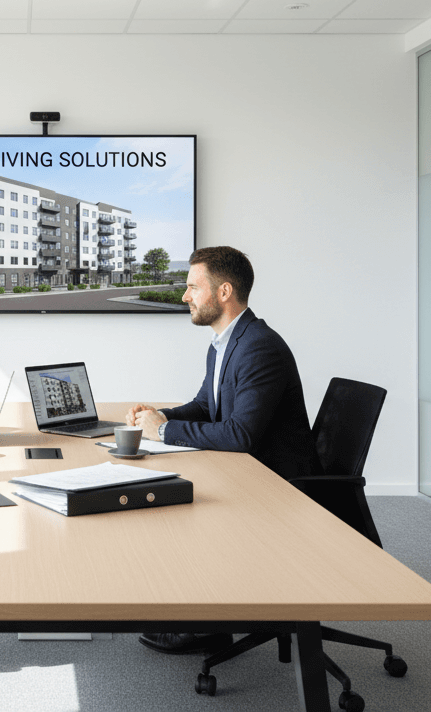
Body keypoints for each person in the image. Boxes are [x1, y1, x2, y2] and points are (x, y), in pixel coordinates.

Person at [127, 246, 316, 656]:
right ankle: (200, 614)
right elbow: (206, 406)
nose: (185, 296)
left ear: (224, 291)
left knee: (174, 505)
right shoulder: (227, 341)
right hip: (250, 470)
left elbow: (240, 434)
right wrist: (160, 416)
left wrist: (165, 432)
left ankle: (206, 625)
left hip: (276, 485)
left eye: (193, 287)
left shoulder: (258, 346)